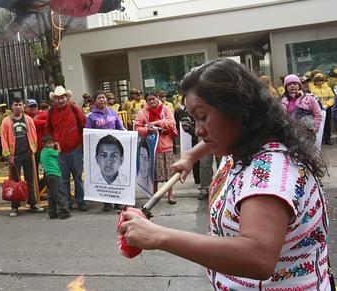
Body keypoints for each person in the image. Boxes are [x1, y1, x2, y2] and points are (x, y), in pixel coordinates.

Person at [119, 58, 330, 290]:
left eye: (203, 116)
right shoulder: (244, 143)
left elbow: (257, 257)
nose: (198, 130)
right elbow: (214, 138)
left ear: (237, 109)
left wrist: (158, 236)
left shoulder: (268, 174)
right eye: (194, 119)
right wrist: (191, 156)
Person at [1, 97, 44, 217]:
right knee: (15, 181)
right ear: (11, 106)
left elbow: (33, 134)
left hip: (27, 153)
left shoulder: (28, 119)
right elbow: (4, 139)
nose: (18, 107)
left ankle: (33, 203)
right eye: (16, 104)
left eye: (20, 104)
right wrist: (8, 155)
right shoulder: (6, 121)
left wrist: (32, 150)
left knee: (30, 180)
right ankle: (15, 207)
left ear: (23, 106)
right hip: (14, 156)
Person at [47, 86, 88, 211]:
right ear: (54, 99)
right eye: (58, 98)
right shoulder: (50, 112)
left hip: (75, 149)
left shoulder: (75, 109)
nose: (60, 100)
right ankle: (66, 202)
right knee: (63, 178)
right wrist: (51, 145)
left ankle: (80, 201)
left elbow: (84, 124)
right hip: (59, 151)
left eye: (62, 97)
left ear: (67, 98)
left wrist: (81, 144)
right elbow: (48, 129)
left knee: (77, 177)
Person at [133, 91, 177, 204]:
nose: (152, 101)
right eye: (149, 100)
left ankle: (170, 196)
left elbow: (172, 123)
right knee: (154, 175)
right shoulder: (142, 112)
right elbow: (137, 128)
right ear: (146, 101)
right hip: (152, 148)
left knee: (169, 174)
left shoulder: (166, 109)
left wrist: (158, 123)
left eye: (153, 98)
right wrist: (148, 130)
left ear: (157, 98)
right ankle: (154, 197)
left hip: (167, 146)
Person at [85, 90, 125, 211]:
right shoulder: (91, 116)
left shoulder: (113, 113)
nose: (102, 100)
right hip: (102, 151)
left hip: (114, 150)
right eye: (99, 98)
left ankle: (117, 200)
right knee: (104, 174)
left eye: (103, 97)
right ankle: (107, 202)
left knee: (115, 173)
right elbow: (88, 133)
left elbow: (120, 128)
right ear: (95, 101)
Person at [279, 74, 322, 142]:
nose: (292, 86)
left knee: (306, 152)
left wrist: (314, 128)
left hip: (307, 133)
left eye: (295, 83)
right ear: (286, 87)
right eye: (289, 84)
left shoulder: (309, 98)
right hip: (291, 134)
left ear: (299, 85)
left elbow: (318, 114)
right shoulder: (282, 101)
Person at [40, 135, 70, 220]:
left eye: (52, 143)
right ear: (44, 144)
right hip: (55, 174)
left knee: (51, 194)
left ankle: (52, 212)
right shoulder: (49, 151)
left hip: (48, 175)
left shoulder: (43, 152)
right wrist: (57, 144)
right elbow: (59, 152)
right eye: (49, 143)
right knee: (59, 193)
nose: (51, 145)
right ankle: (64, 212)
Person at [310, 73, 335, 145]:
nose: (319, 82)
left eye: (321, 80)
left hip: (327, 108)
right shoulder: (312, 89)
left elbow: (332, 97)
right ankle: (321, 139)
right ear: (315, 81)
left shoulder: (328, 88)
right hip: (317, 109)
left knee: (327, 124)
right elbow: (312, 99)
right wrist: (318, 106)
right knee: (319, 124)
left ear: (323, 80)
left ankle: (327, 139)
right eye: (317, 81)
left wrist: (327, 105)